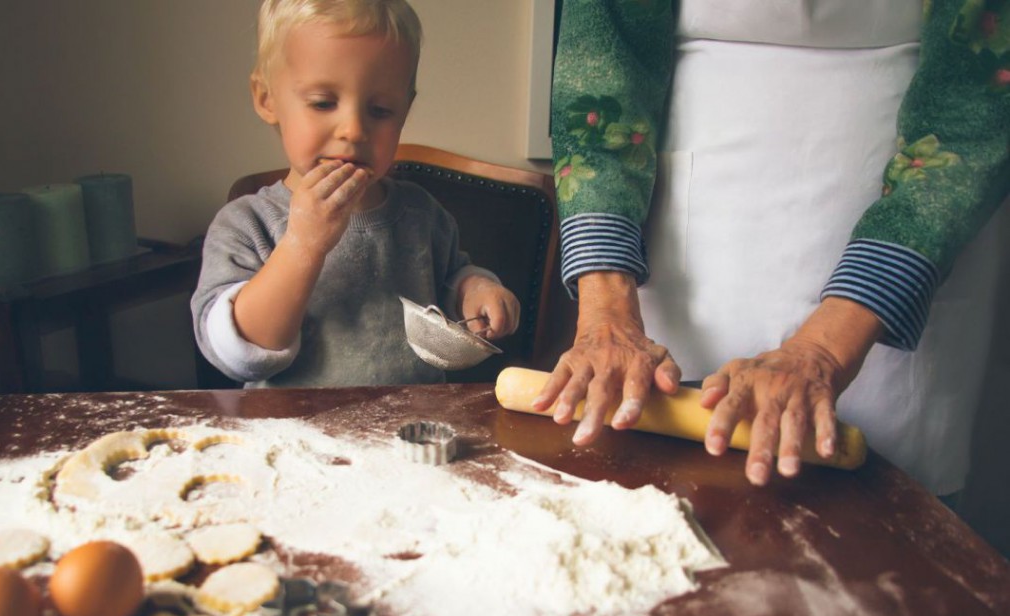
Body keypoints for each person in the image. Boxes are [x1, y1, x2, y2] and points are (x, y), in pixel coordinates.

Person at [536, 0, 1010, 495]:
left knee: (876, 523)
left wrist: (823, 349)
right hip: (690, 240)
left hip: (913, 232)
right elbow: (601, 67)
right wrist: (606, 314)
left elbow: (973, 111)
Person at [192, 0, 520, 388]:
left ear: (405, 109)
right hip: (295, 439)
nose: (352, 129)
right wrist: (302, 245)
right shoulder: (247, 224)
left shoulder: (420, 213)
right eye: (323, 103)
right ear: (267, 99)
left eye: (380, 110)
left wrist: (476, 289)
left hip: (413, 434)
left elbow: (451, 281)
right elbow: (239, 355)